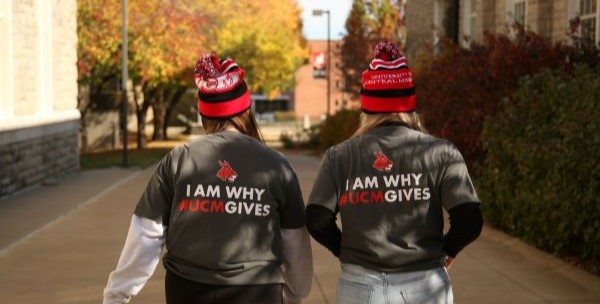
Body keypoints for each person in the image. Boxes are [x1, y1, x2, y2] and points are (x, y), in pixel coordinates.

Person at [103, 54, 312, 304]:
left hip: (188, 291)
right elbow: (294, 240)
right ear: (247, 110)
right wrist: (296, 293)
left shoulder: (178, 160)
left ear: (204, 115)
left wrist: (117, 295)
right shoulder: (277, 166)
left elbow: (146, 233)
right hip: (258, 291)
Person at [306, 41, 483, 304]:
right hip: (425, 282)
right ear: (410, 104)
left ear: (365, 106)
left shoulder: (340, 156)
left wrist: (344, 251)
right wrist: (447, 250)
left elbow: (317, 218)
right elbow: (469, 218)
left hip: (360, 283)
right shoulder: (442, 153)